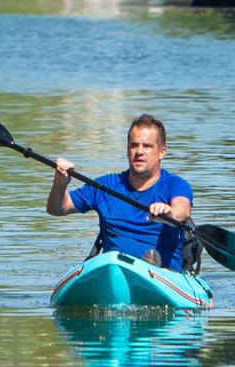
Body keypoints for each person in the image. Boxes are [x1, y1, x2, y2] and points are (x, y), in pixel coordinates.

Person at [47, 114, 194, 270]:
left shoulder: (175, 185)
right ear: (127, 149)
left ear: (162, 152)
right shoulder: (105, 185)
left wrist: (169, 214)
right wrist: (60, 183)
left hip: (163, 276)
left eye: (147, 146)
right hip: (113, 272)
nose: (139, 151)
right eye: (134, 145)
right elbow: (57, 209)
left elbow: (182, 210)